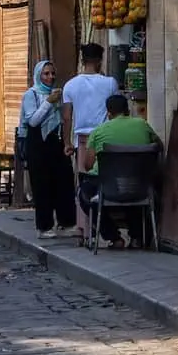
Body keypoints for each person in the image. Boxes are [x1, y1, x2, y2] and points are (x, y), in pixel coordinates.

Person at [79, 93, 160, 248]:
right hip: (140, 186)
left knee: (84, 195)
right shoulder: (143, 125)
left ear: (108, 113)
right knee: (131, 188)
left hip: (108, 187)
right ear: (127, 110)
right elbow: (159, 147)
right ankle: (137, 237)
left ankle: (114, 237)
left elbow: (88, 165)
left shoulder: (98, 132)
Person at [60, 43, 118, 240]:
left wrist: (67, 142)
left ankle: (87, 229)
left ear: (82, 61)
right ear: (100, 60)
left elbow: (67, 117)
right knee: (108, 182)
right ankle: (107, 228)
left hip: (82, 142)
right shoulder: (110, 83)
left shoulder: (70, 85)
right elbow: (114, 112)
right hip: (106, 139)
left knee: (85, 185)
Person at [18, 60, 74, 237]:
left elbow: (65, 119)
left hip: (55, 142)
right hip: (37, 144)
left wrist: (67, 142)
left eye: (52, 73)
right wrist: (49, 102)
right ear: (38, 76)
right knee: (42, 185)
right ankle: (44, 226)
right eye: (46, 74)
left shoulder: (58, 94)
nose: (50, 77)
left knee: (64, 182)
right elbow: (33, 120)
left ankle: (66, 223)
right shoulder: (31, 95)